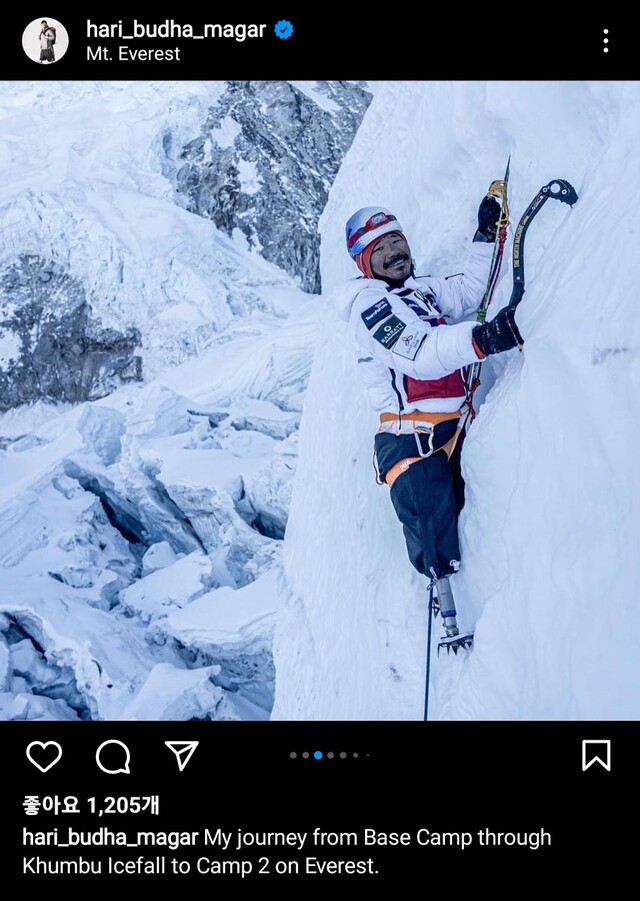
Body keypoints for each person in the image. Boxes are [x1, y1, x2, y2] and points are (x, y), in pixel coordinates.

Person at [337, 191, 523, 647]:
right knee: (435, 534)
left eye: (396, 241)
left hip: (451, 428)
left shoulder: (419, 290)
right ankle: (450, 612)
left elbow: (465, 291)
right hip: (411, 444)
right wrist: (483, 340)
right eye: (379, 249)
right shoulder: (369, 307)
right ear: (364, 263)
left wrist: (485, 235)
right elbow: (419, 354)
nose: (393, 252)